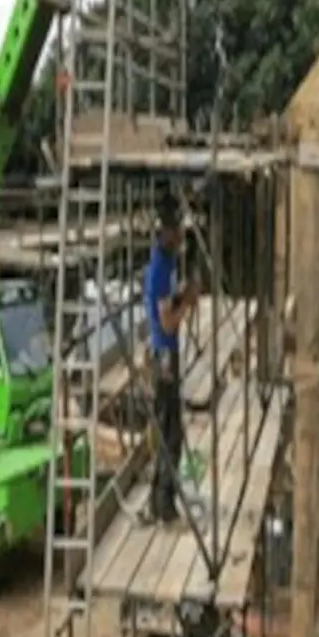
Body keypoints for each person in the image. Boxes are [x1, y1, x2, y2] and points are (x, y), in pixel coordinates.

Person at [143, 192, 198, 525]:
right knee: (170, 431)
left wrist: (182, 295)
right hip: (164, 353)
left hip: (167, 350)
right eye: (176, 231)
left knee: (168, 426)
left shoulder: (167, 263)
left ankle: (158, 499)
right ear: (165, 232)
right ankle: (163, 503)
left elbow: (168, 304)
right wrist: (188, 302)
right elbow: (166, 320)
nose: (180, 238)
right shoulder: (160, 269)